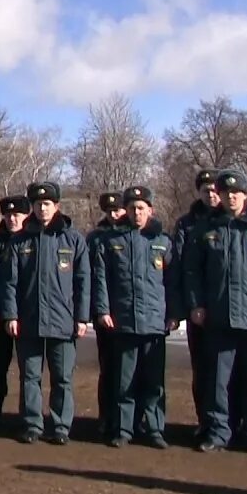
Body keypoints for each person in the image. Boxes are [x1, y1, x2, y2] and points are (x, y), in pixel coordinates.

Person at [183, 169, 247, 456]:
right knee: (218, 379)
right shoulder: (207, 228)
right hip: (218, 317)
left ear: (246, 195)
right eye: (226, 192)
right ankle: (218, 432)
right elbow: (192, 270)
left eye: (236, 193)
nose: (230, 197)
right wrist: (196, 304)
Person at [2, 181, 91, 446]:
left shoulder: (73, 239)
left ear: (57, 206)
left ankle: (61, 425)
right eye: (38, 204)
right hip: (28, 321)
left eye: (47, 204)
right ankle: (32, 423)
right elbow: (10, 282)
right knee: (30, 376)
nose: (42, 209)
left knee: (62, 377)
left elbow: (83, 280)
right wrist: (11, 316)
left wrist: (82, 317)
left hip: (63, 322)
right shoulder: (20, 240)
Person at [91, 186, 178, 449]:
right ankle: (123, 429)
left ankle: (154, 429)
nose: (136, 213)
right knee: (122, 380)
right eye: (132, 208)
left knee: (153, 382)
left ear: (150, 210)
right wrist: (103, 311)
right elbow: (101, 279)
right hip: (124, 322)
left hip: (154, 322)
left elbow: (173, 282)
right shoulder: (112, 241)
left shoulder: (163, 241)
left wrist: (173, 313)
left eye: (141, 208)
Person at [171, 168, 221, 442]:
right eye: (206, 191)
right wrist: (183, 308)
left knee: (228, 370)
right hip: (197, 309)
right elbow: (178, 267)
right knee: (202, 369)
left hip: (227, 308)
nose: (211, 195)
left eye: (215, 190)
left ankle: (229, 423)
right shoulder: (186, 224)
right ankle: (206, 421)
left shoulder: (229, 220)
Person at [0, 194, 30, 432]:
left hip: (26, 314)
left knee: (28, 370)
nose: (12, 219)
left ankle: (27, 417)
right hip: (0, 313)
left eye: (17, 215)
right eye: (8, 215)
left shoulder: (31, 240)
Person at [87, 191, 126, 440]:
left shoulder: (132, 234)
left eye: (118, 210)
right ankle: (106, 416)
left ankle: (129, 419)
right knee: (108, 368)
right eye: (109, 211)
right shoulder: (96, 238)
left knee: (130, 370)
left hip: (128, 312)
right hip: (104, 312)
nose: (114, 215)